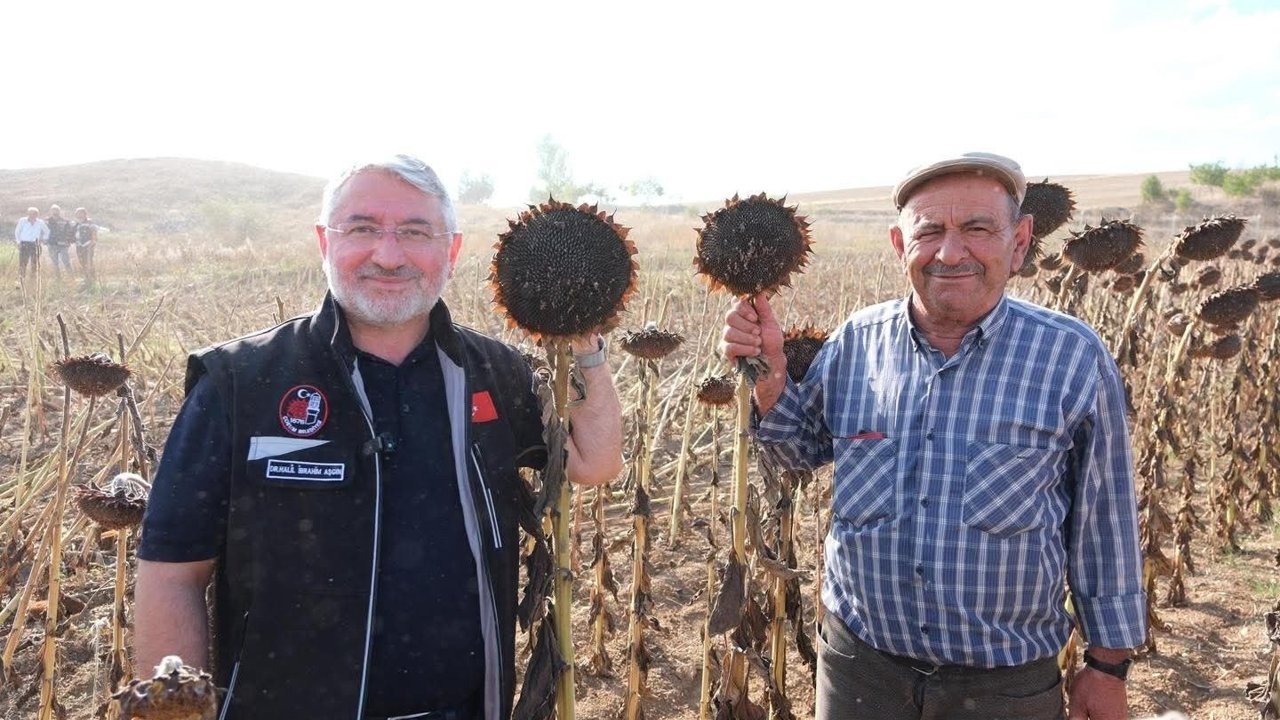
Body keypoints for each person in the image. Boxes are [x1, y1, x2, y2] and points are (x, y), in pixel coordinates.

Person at [134, 154, 624, 720]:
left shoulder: (493, 373)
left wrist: (584, 340)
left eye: (415, 232)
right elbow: (173, 573)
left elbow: (593, 460)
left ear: (452, 250)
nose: (388, 255)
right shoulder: (239, 382)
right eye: (362, 228)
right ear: (324, 241)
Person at [721, 152, 1145, 720]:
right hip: (859, 671)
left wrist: (1107, 667)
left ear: (1019, 242)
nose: (950, 252)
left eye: (977, 229)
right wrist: (771, 382)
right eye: (930, 232)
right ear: (900, 246)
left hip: (1004, 687)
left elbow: (1105, 523)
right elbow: (798, 449)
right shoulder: (856, 343)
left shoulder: (1070, 357)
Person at [13, 206, 48, 287]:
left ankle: (33, 281)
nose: (33, 215)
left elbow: (47, 231)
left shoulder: (40, 222)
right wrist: (18, 242)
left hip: (35, 244)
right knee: (22, 263)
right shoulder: (22, 221)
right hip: (24, 244)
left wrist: (44, 239)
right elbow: (17, 232)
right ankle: (20, 281)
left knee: (35, 264)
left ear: (37, 214)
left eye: (35, 214)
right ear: (28, 214)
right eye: (31, 213)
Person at [45, 204, 74, 280]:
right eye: (53, 210)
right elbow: (42, 232)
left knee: (66, 262)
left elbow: (70, 232)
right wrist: (44, 241)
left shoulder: (65, 221)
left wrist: (69, 241)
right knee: (55, 263)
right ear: (50, 211)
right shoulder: (46, 221)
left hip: (63, 245)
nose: (55, 212)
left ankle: (71, 278)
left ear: (59, 211)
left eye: (57, 210)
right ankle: (58, 279)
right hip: (52, 245)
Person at [71, 207, 98, 283]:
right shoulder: (76, 224)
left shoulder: (90, 223)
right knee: (82, 261)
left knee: (89, 261)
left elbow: (94, 233)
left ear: (85, 214)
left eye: (80, 213)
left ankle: (92, 278)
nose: (78, 215)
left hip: (88, 245)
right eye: (77, 214)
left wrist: (93, 243)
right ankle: (86, 277)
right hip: (79, 245)